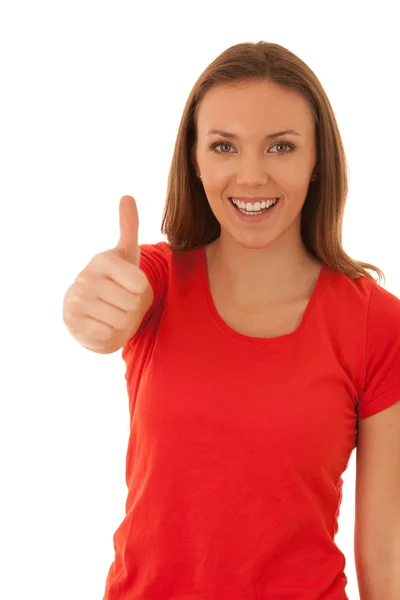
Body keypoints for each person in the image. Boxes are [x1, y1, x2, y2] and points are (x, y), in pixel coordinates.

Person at [62, 41, 400, 600]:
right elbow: (99, 311)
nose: (250, 176)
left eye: (281, 147)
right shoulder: (153, 280)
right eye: (224, 146)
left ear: (318, 161)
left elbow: (386, 553)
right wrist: (84, 313)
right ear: (195, 158)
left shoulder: (377, 323)